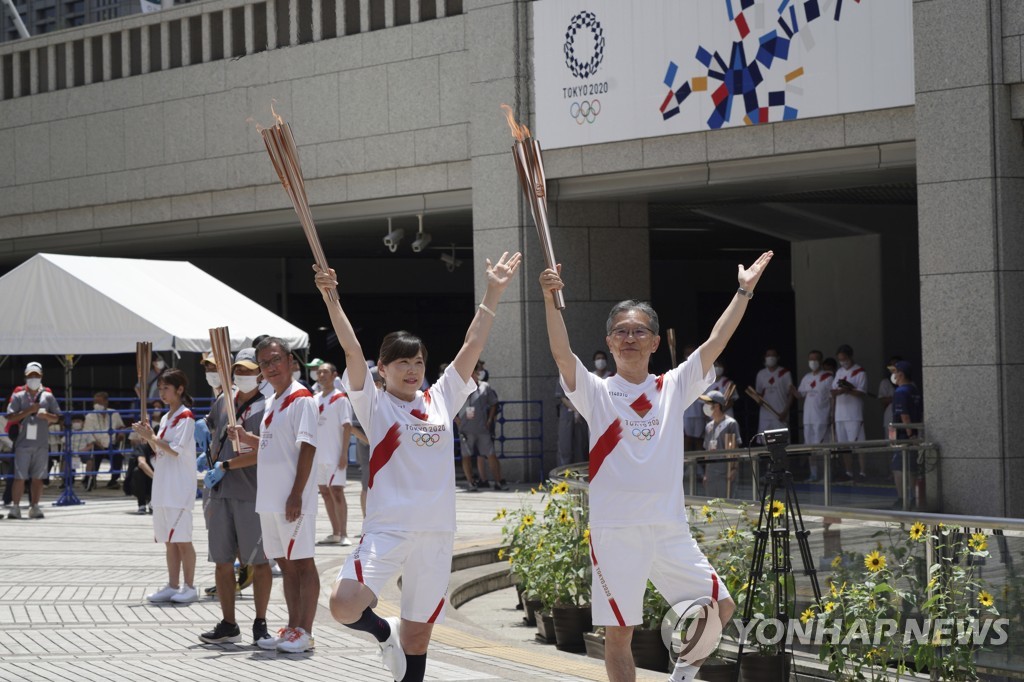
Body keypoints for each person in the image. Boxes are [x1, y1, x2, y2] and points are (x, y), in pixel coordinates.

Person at [539, 251, 773, 682]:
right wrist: (552, 298)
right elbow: (560, 353)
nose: (629, 337)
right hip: (616, 530)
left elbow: (717, 341)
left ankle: (681, 676)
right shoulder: (596, 392)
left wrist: (744, 291)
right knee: (619, 635)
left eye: (639, 331)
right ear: (609, 342)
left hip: (668, 527)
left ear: (652, 341)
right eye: (620, 331)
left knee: (721, 605)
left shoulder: (672, 386)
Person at [317, 251, 521, 682]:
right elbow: (352, 349)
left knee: (419, 639)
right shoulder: (374, 404)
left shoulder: (441, 398)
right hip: (388, 529)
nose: (412, 370)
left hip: (436, 531)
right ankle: (381, 631)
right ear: (383, 368)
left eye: (418, 362)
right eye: (402, 362)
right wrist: (331, 298)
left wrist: (494, 291)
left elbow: (473, 345)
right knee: (344, 603)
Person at [228, 338, 320, 654]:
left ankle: (305, 631)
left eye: (275, 359)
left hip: (292, 500)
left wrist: (296, 494)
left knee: (303, 564)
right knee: (287, 565)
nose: (271, 367)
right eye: (265, 363)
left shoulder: (302, 399)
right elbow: (273, 445)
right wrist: (246, 438)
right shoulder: (273, 402)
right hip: (270, 499)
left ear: (290, 360)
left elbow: (307, 447)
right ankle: (293, 628)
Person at [195, 348, 274, 645]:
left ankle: (260, 622)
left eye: (248, 371)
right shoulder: (222, 401)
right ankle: (229, 624)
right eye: (238, 370)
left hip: (251, 492)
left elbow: (262, 452)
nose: (243, 375)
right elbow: (214, 436)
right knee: (222, 560)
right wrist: (207, 450)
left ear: (259, 373)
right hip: (220, 492)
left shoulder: (267, 407)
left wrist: (225, 465)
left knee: (258, 560)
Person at [132, 369, 199, 604]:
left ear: (179, 389)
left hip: (179, 487)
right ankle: (172, 585)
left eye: (166, 389)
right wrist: (148, 436)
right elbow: (159, 450)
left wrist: (152, 436)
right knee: (169, 540)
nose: (162, 393)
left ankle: (190, 586)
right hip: (163, 485)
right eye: (160, 389)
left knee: (182, 539)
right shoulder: (166, 418)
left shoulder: (186, 417)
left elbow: (175, 450)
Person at [6, 362, 62, 519]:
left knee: (38, 477)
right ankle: (15, 507)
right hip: (23, 443)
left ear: (41, 376)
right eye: (30, 375)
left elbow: (57, 417)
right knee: (19, 477)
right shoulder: (18, 396)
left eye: (36, 375)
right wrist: (28, 411)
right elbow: (10, 417)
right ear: (25, 376)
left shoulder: (48, 396)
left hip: (42, 443)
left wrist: (47, 416)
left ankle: (35, 506)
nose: (33, 378)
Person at [313, 362, 354, 546]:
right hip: (317, 456)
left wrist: (343, 453)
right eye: (319, 372)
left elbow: (347, 427)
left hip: (334, 454)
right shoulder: (314, 400)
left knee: (336, 492)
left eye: (325, 372)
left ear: (334, 375)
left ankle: (344, 533)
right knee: (325, 492)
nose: (321, 375)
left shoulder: (340, 399)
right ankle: (335, 532)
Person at [455, 361, 506, 491]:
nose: (475, 374)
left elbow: (494, 403)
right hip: (466, 430)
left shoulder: (485, 387)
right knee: (466, 456)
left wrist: (490, 420)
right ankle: (471, 482)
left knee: (491, 454)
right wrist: (457, 420)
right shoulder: (460, 389)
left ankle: (498, 481)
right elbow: (450, 406)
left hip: (483, 429)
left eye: (475, 372)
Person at [889, 360, 923, 509]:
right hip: (914, 434)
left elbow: (904, 416)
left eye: (895, 372)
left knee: (898, 467)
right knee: (912, 467)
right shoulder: (914, 390)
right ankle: (913, 497)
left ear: (901, 374)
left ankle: (902, 498)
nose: (894, 375)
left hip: (904, 436)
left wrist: (910, 436)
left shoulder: (900, 392)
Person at [831, 344, 868, 480]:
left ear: (850, 357)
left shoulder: (859, 372)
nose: (843, 362)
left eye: (845, 359)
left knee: (858, 444)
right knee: (844, 445)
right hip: (840, 414)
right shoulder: (839, 372)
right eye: (840, 359)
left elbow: (861, 392)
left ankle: (863, 472)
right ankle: (849, 472)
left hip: (854, 414)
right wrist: (840, 391)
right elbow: (833, 390)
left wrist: (848, 390)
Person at [795, 350, 833, 482]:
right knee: (810, 447)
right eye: (810, 359)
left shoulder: (827, 377)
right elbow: (800, 395)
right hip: (808, 418)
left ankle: (825, 474)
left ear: (821, 361)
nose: (812, 362)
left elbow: (832, 398)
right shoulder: (806, 378)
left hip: (821, 417)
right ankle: (814, 474)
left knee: (822, 447)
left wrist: (832, 414)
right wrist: (791, 390)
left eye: (815, 359)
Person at [348, 365, 379, 519]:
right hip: (368, 449)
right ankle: (367, 520)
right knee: (367, 484)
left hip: (386, 451)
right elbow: (352, 428)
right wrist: (372, 441)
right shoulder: (362, 401)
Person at [699, 390, 742, 498]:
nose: (705, 406)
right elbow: (707, 452)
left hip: (725, 472)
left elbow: (735, 449)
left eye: (708, 404)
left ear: (717, 405)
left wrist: (734, 469)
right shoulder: (708, 426)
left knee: (725, 504)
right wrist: (706, 473)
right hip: (711, 473)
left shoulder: (730, 424)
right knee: (711, 506)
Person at [81, 392, 126, 491]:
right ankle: (90, 480)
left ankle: (113, 481)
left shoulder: (114, 413)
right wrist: (98, 444)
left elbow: (121, 426)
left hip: (111, 444)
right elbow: (88, 433)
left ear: (106, 402)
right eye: (95, 402)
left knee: (118, 457)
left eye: (99, 402)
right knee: (95, 455)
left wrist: (121, 432)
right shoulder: (90, 416)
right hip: (96, 444)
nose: (96, 404)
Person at [755, 348, 793, 436]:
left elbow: (791, 394)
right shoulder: (761, 374)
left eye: (773, 355)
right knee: (765, 442)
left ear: (778, 357)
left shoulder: (785, 373)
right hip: (765, 415)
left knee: (781, 441)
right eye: (768, 355)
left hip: (780, 414)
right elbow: (758, 394)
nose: (770, 358)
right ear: (765, 357)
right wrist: (758, 401)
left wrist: (785, 412)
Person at [681, 345, 706, 454]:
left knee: (699, 441)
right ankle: (686, 468)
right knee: (686, 440)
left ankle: (700, 468)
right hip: (686, 413)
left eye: (692, 352)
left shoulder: (702, 370)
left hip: (699, 413)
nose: (689, 355)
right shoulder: (680, 371)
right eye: (687, 353)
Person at [878, 355, 901, 436]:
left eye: (896, 365)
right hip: (890, 416)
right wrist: (894, 398)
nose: (893, 367)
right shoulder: (885, 382)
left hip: (904, 419)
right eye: (891, 365)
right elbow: (882, 399)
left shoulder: (908, 382)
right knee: (891, 442)